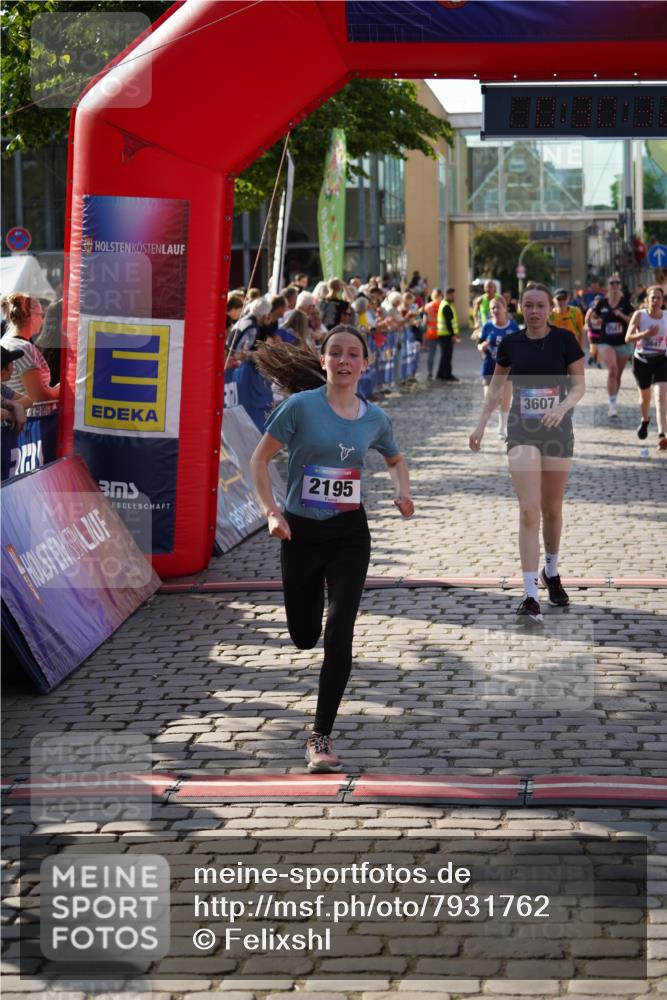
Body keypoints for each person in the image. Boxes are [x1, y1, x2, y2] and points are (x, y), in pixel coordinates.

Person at [249, 325, 414, 772]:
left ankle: (320, 735)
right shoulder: (299, 407)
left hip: (349, 535)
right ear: (323, 361)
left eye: (353, 354)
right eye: (336, 353)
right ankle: (309, 631)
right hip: (299, 533)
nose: (344, 360)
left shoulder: (375, 419)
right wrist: (271, 512)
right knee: (305, 635)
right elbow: (259, 459)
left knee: (340, 631)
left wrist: (402, 491)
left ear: (365, 364)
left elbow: (395, 459)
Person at [469, 282, 586, 625]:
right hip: (522, 431)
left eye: (540, 305)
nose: (534, 311)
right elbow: (495, 388)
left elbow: (579, 385)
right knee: (528, 510)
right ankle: (530, 594)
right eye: (529, 305)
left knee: (552, 509)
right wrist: (480, 425)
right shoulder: (511, 343)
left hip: (558, 432)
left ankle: (552, 571)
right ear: (521, 308)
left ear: (549, 308)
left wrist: (562, 407)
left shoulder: (565, 340)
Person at [625, 284, 667, 449]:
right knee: (645, 398)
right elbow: (628, 338)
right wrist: (645, 334)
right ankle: (645, 419)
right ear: (647, 300)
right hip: (641, 361)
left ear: (663, 301)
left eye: (659, 298)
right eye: (653, 298)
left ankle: (662, 435)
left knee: (661, 395)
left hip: (662, 359)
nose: (656, 300)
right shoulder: (640, 315)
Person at [587, 274, 633, 418]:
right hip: (605, 341)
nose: (614, 285)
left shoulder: (625, 303)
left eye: (617, 283)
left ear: (620, 286)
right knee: (612, 369)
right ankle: (612, 406)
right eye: (612, 283)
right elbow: (592, 317)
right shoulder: (602, 303)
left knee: (618, 375)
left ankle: (614, 400)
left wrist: (621, 315)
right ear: (608, 286)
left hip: (622, 342)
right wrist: (596, 321)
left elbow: (633, 321)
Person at [0, 293, 59, 401]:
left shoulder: (5, 341)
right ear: (31, 317)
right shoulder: (23, 348)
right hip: (29, 411)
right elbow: (39, 397)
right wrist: (62, 388)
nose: (43, 320)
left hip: (18, 409)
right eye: (41, 315)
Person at [478, 296, 519, 439]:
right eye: (492, 308)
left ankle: (502, 429)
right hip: (490, 367)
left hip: (507, 369)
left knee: (506, 399)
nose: (495, 310)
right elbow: (480, 343)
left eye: (498, 307)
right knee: (490, 400)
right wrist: (481, 347)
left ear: (505, 308)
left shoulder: (513, 326)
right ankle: (497, 413)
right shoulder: (487, 326)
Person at [1, 346, 32, 432]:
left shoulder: (1, 388)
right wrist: (9, 414)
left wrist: (13, 405)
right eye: (11, 362)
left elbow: (28, 401)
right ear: (3, 370)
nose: (13, 366)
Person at [436, 287, 461, 381]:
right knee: (447, 356)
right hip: (446, 335)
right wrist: (453, 335)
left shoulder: (446, 304)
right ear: (447, 295)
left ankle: (441, 374)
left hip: (444, 334)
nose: (454, 297)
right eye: (452, 295)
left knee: (444, 355)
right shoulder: (446, 306)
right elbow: (448, 322)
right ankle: (447, 374)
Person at [422, 288, 443, 380]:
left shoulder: (427, 306)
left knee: (431, 354)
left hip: (431, 333)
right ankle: (441, 372)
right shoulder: (443, 305)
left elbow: (424, 322)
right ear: (440, 295)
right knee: (443, 354)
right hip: (442, 333)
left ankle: (430, 372)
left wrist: (423, 337)